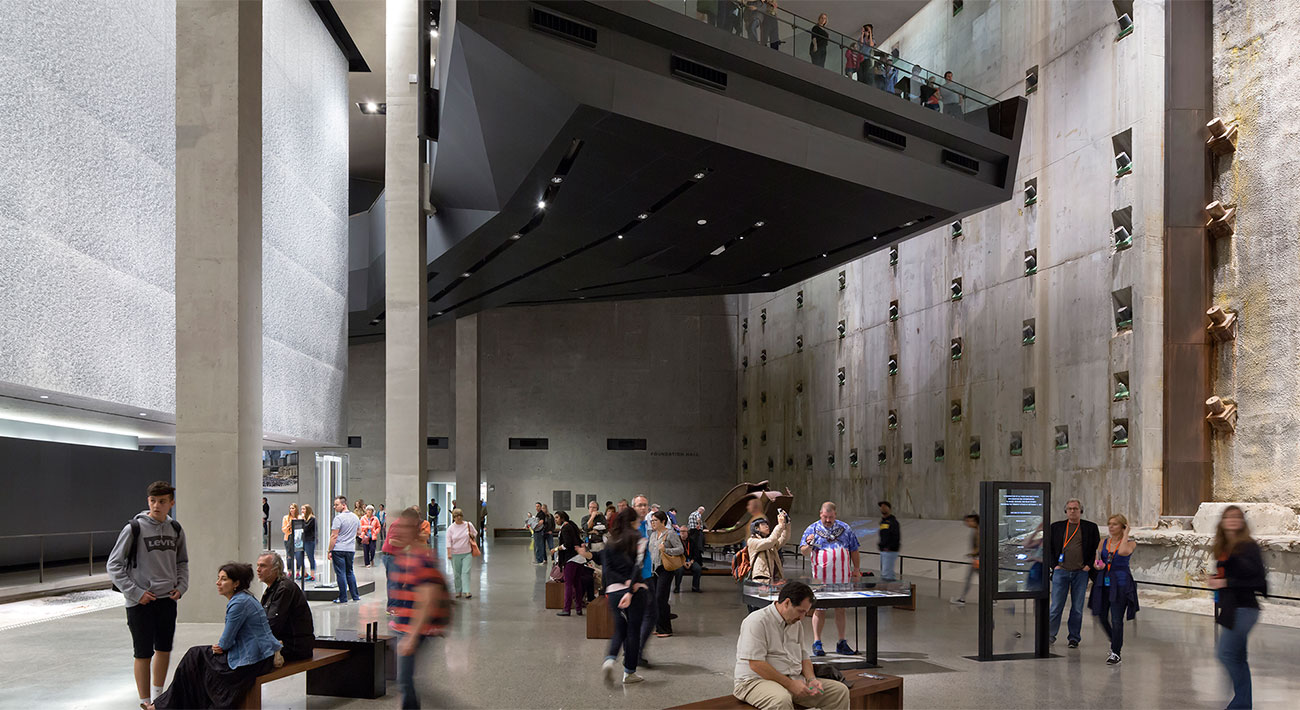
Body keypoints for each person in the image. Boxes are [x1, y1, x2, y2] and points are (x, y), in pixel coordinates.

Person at [150, 563, 281, 710]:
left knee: (194, 657)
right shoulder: (245, 598)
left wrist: (219, 647)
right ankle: (166, 705)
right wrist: (220, 647)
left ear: (236, 583)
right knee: (196, 659)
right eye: (218, 578)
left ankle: (163, 706)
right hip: (261, 655)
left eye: (223, 579)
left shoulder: (238, 603)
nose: (218, 583)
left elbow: (225, 642)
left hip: (253, 661)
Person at [107, 480, 189, 709]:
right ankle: (144, 702)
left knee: (164, 648)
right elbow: (114, 565)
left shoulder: (176, 529)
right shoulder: (134, 528)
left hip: (167, 599)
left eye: (162, 501)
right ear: (148, 502)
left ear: (171, 503)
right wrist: (136, 592)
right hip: (140, 602)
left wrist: (181, 587)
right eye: (153, 501)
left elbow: (182, 561)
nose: (156, 505)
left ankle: (158, 696)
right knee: (142, 652)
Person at [733, 580, 850, 710]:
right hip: (755, 681)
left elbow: (804, 656)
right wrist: (790, 684)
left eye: (805, 612)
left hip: (792, 679)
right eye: (800, 611)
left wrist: (811, 679)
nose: (802, 617)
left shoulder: (796, 623)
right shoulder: (757, 621)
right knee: (780, 700)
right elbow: (756, 664)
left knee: (839, 692)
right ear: (787, 603)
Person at [387, 508, 450, 709]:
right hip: (404, 626)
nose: (399, 532)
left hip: (414, 629)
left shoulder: (422, 558)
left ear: (415, 529)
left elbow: (427, 599)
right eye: (398, 527)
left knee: (405, 681)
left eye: (405, 527)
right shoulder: (406, 556)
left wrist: (412, 636)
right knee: (406, 681)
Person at [1207, 505, 1267, 709]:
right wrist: (1217, 579)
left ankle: (1240, 704)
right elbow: (1231, 575)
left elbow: (1258, 580)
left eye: (1236, 517)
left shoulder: (1249, 546)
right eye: (1228, 517)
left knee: (1226, 653)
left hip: (1245, 608)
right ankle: (1243, 704)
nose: (1232, 520)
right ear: (1222, 522)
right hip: (1231, 608)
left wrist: (1226, 583)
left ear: (1242, 522)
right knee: (1239, 658)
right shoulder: (1224, 548)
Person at [799, 501, 860, 656]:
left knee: (841, 608)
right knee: (819, 609)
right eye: (825, 517)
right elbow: (804, 552)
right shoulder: (812, 529)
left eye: (831, 517)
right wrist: (809, 544)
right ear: (820, 514)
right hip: (820, 578)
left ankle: (842, 641)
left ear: (835, 515)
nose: (828, 520)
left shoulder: (845, 529)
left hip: (842, 577)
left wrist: (857, 569)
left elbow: (854, 549)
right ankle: (817, 642)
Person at [600, 507, 649, 685]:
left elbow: (608, 569)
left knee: (619, 629)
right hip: (634, 591)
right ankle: (629, 672)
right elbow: (637, 566)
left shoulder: (610, 540)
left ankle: (609, 660)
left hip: (613, 591)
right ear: (632, 522)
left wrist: (610, 587)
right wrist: (629, 587)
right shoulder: (639, 539)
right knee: (633, 631)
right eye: (637, 522)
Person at [1046, 499, 1100, 648]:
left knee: (1077, 607)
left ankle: (1074, 637)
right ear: (1066, 511)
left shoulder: (1090, 527)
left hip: (1080, 572)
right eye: (1069, 509)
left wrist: (1089, 566)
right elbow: (1048, 547)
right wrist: (1054, 566)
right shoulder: (1056, 527)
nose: (1072, 511)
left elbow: (1096, 548)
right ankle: (1050, 635)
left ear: (1080, 511)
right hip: (1061, 571)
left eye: (1075, 509)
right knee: (1056, 606)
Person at [1089, 514, 1138, 665]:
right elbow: (1097, 559)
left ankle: (1116, 652)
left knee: (1117, 619)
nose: (1111, 527)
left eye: (1115, 524)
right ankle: (1115, 640)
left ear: (1123, 527)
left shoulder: (1130, 543)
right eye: (1109, 524)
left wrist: (1126, 533)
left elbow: (1122, 551)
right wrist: (1098, 565)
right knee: (1101, 615)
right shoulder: (1103, 542)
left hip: (1121, 584)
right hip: (1103, 582)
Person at [256, 552, 314, 661]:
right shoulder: (272, 589)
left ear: (275, 569)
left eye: (263, 566)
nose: (258, 569)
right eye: (258, 565)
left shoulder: (284, 588)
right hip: (285, 643)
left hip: (295, 646)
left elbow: (273, 623)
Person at [647, 511, 684, 637]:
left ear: (663, 521)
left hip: (665, 569)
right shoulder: (652, 535)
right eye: (651, 521)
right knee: (655, 599)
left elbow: (680, 549)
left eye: (655, 520)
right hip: (653, 570)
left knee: (660, 598)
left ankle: (666, 629)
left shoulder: (670, 534)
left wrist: (666, 549)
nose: (652, 523)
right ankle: (658, 626)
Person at [328, 496, 361, 604]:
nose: (334, 507)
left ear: (344, 505)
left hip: (339, 549)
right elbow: (359, 532)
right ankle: (355, 596)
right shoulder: (355, 517)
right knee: (350, 572)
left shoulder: (338, 518)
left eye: (336, 505)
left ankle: (343, 597)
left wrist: (329, 550)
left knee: (341, 573)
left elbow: (334, 536)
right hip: (350, 549)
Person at [556, 510, 588, 616]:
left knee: (568, 585)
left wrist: (557, 549)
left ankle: (567, 609)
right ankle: (578, 608)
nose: (555, 520)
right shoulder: (572, 525)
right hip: (579, 558)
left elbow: (567, 544)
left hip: (571, 559)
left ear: (562, 518)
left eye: (557, 518)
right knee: (577, 583)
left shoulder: (565, 528)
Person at [748, 511, 790, 584]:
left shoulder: (770, 543)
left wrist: (786, 523)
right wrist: (780, 525)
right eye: (763, 524)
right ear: (756, 528)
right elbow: (769, 541)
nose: (767, 526)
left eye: (767, 524)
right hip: (761, 579)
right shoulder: (752, 541)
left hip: (773, 577)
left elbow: (783, 538)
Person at [446, 507, 479, 599]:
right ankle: (458, 590)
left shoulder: (468, 525)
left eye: (460, 515)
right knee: (457, 573)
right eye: (456, 516)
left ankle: (467, 591)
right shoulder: (451, 528)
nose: (459, 518)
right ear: (453, 517)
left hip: (467, 552)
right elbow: (448, 541)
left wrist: (472, 535)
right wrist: (449, 553)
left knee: (466, 572)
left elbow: (475, 533)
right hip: (455, 553)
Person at [951, 514, 979, 604]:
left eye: (969, 521)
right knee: (970, 579)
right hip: (977, 559)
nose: (967, 523)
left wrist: (972, 553)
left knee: (969, 579)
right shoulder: (976, 530)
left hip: (978, 560)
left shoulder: (978, 531)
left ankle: (962, 599)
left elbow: (980, 546)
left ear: (975, 521)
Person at [877, 501, 901, 581]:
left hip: (890, 551)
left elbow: (896, 536)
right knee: (885, 572)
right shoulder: (882, 522)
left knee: (887, 574)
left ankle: (889, 591)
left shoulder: (893, 522)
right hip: (883, 550)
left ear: (889, 508)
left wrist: (890, 547)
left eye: (884, 506)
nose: (882, 508)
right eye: (881, 507)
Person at [281, 503, 300, 579]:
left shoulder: (299, 517)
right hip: (288, 537)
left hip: (297, 538)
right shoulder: (286, 518)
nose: (292, 510)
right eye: (290, 508)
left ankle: (298, 571)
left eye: (293, 508)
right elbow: (284, 530)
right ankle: (290, 571)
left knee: (298, 555)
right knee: (289, 555)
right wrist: (289, 524)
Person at [301, 504, 318, 581]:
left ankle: (312, 574)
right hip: (304, 539)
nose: (302, 511)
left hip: (310, 540)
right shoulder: (305, 519)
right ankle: (304, 573)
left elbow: (306, 528)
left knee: (310, 557)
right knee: (300, 556)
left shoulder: (312, 519)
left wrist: (303, 520)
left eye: (304, 509)